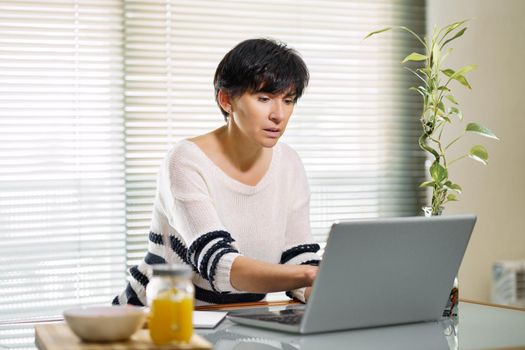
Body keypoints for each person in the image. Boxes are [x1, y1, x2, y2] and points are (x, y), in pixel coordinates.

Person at [113, 38, 321, 306]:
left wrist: (316, 288)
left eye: (289, 100)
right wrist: (309, 275)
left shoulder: (289, 163)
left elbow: (297, 256)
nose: (278, 114)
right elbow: (219, 264)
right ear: (226, 100)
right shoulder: (185, 160)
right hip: (153, 318)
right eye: (264, 98)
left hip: (237, 321)